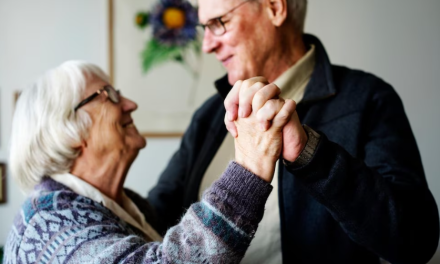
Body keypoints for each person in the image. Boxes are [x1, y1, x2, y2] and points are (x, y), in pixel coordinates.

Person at [148, 0, 440, 263]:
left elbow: (415, 242)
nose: (206, 45)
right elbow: (154, 219)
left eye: (218, 23)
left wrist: (312, 155)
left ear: (275, 8)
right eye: (204, 27)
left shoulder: (368, 99)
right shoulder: (210, 115)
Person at [3, 61, 297, 263]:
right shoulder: (45, 222)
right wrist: (249, 166)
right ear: (67, 131)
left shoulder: (129, 207)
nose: (130, 104)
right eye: (109, 95)